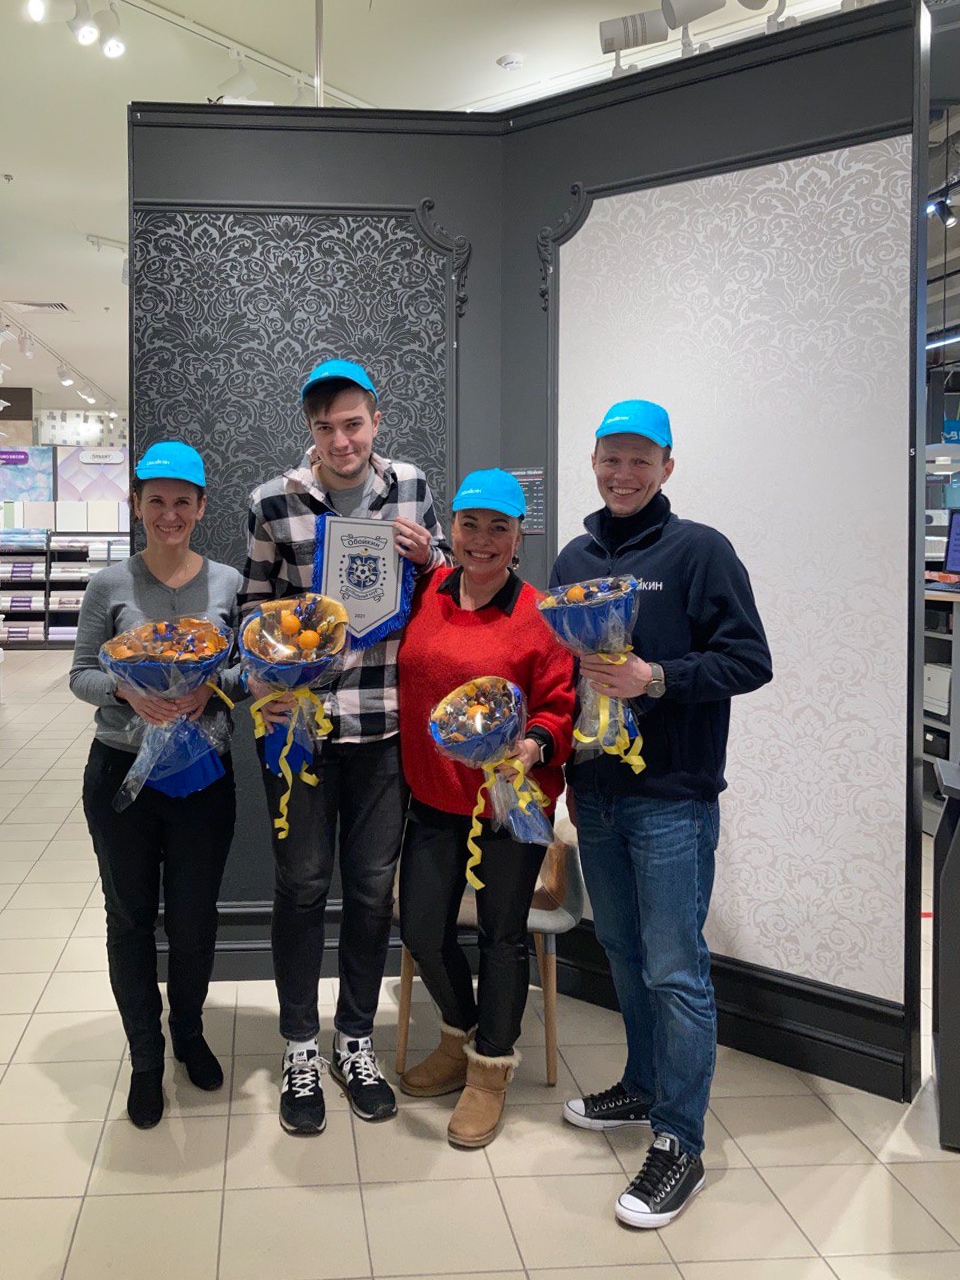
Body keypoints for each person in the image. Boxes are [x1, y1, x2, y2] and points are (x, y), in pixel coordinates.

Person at [552, 400, 772, 1227]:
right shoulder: (574, 556)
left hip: (673, 797)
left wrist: (659, 678)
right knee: (620, 948)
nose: (623, 473)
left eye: (640, 460)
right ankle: (643, 1084)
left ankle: (680, 1140)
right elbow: (561, 668)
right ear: (594, 461)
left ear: (667, 466)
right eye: (611, 458)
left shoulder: (700, 550)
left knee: (676, 969)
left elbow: (749, 660)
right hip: (597, 791)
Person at [241, 357, 447, 1135]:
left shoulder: (413, 487)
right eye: (325, 427)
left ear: (375, 421)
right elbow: (252, 610)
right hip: (300, 730)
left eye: (353, 424)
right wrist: (269, 669)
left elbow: (447, 588)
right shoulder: (273, 500)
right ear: (311, 430)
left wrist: (428, 558)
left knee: (367, 891)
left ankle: (353, 1041)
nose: (341, 440)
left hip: (384, 726)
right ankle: (300, 1044)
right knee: (300, 887)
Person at [396, 468, 575, 1148]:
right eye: (470, 524)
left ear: (518, 537)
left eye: (499, 527)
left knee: (501, 937)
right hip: (434, 797)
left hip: (509, 803)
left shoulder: (539, 614)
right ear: (453, 529)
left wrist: (532, 746)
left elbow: (559, 706)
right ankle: (461, 1033)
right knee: (422, 928)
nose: (482, 539)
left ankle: (490, 1070)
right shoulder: (427, 592)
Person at [70, 442, 244, 1129]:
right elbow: (81, 673)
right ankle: (145, 1057)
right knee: (130, 918)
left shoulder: (228, 583)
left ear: (201, 508)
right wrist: (125, 690)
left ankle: (188, 1034)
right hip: (123, 773)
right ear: (137, 505)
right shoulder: (109, 585)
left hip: (202, 777)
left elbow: (245, 672)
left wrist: (213, 688)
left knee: (195, 919)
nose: (169, 514)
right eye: (155, 501)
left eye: (182, 502)